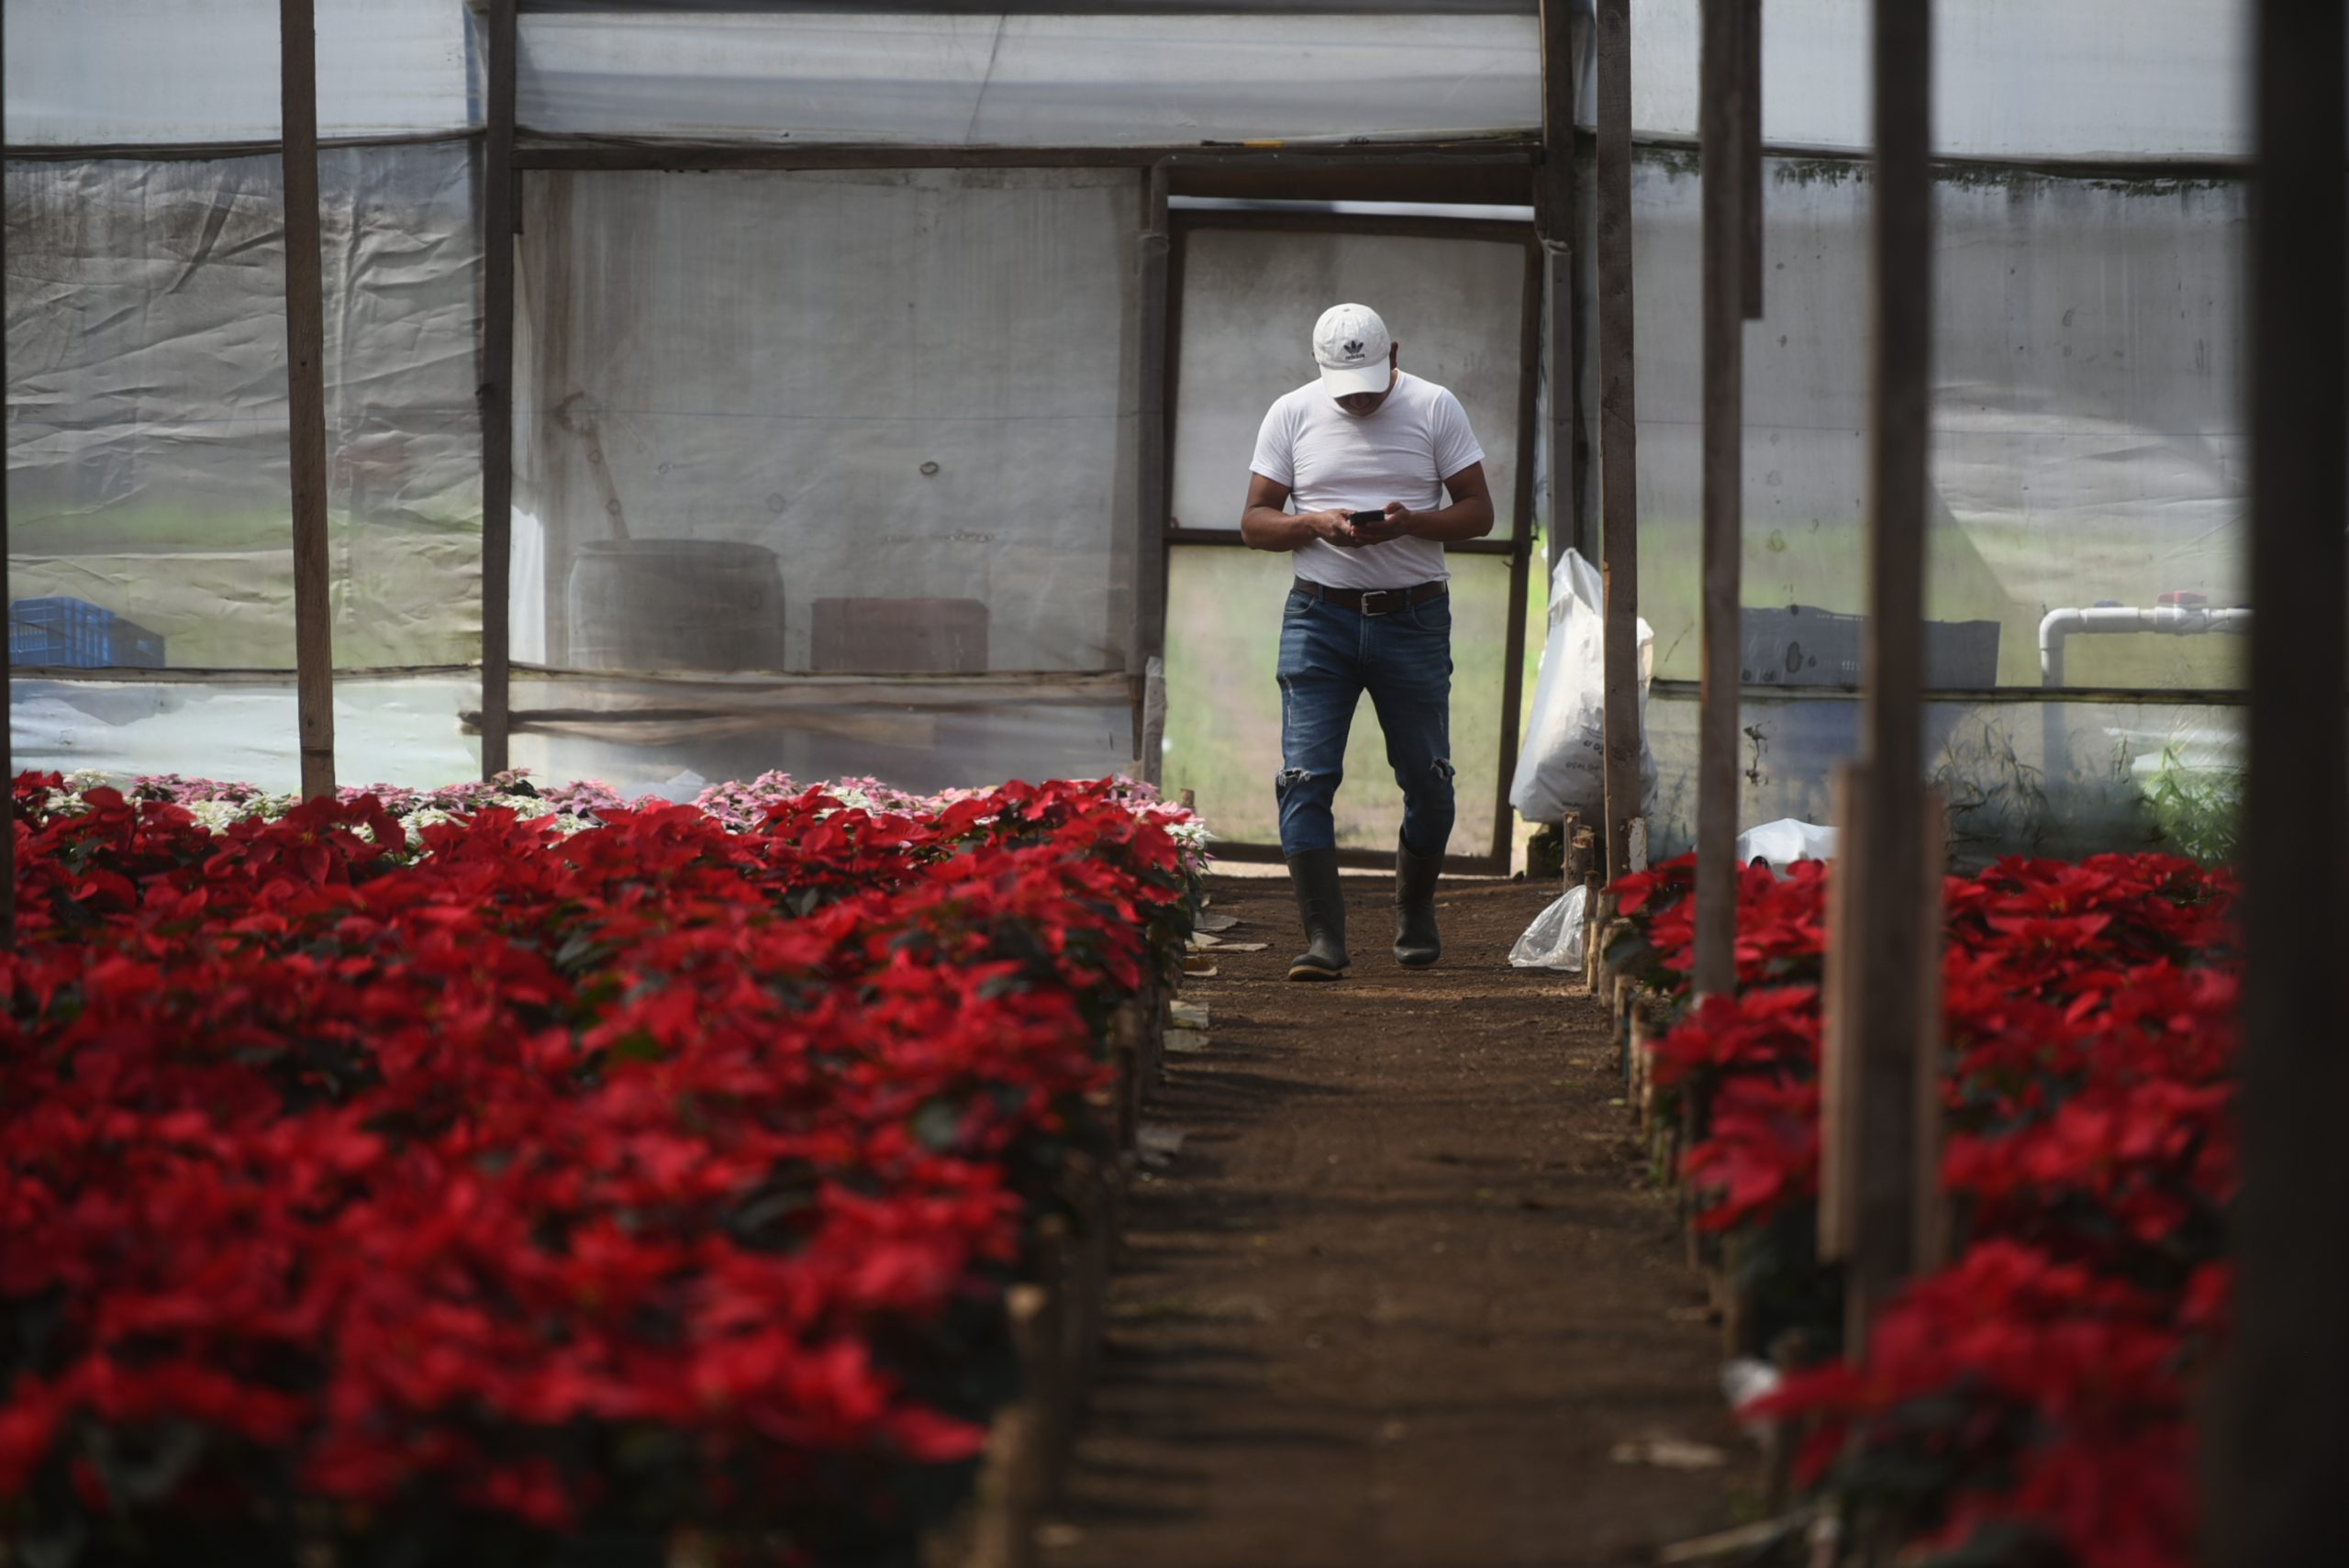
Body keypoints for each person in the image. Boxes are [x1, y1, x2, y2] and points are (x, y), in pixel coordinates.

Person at [1241, 303, 1496, 981]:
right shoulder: (1291, 412)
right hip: (1318, 618)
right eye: (1342, 384)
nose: (1355, 397)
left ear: (1395, 354)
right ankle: (1324, 937)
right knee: (1304, 778)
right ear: (1320, 370)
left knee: (1428, 779)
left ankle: (1414, 909)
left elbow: (1480, 510)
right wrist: (1313, 525)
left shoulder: (1436, 407)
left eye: (1368, 381)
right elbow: (1255, 521)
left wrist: (1411, 523)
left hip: (1412, 618)